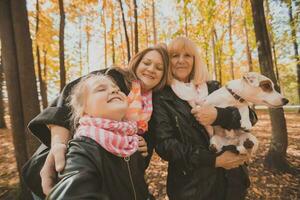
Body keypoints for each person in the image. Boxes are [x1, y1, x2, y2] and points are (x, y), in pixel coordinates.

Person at [22, 45, 170, 199]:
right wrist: (59, 143)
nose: (151, 69)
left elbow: (140, 162)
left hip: (113, 182)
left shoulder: (155, 106)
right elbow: (67, 100)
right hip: (62, 169)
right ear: (137, 63)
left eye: (159, 68)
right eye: (146, 63)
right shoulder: (113, 78)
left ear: (163, 76)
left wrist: (141, 149)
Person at [148, 37, 257, 200]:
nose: (181, 61)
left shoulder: (213, 87)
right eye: (175, 55)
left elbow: (250, 117)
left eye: (187, 56)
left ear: (195, 60)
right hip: (192, 188)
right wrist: (214, 160)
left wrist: (219, 115)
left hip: (233, 181)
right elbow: (166, 145)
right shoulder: (162, 97)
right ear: (167, 61)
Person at [46, 74, 151, 199]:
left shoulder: (132, 143)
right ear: (84, 110)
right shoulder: (82, 149)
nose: (114, 90)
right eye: (101, 89)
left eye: (117, 89)